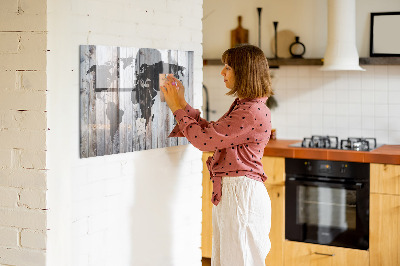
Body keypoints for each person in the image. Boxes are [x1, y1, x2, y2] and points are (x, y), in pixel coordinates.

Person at [160, 44, 273, 266]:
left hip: (241, 195)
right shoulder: (246, 106)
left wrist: (176, 108)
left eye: (228, 67)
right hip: (236, 193)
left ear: (244, 71)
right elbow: (212, 133)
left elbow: (204, 141)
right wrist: (182, 104)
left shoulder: (250, 111)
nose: (222, 72)